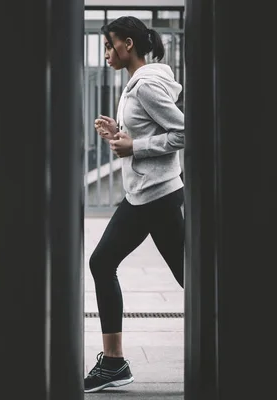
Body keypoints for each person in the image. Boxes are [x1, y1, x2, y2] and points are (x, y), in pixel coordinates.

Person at [84, 16, 185, 393]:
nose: (107, 52)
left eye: (110, 45)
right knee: (189, 272)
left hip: (154, 194)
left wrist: (135, 146)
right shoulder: (139, 83)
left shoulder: (144, 87)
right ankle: (113, 362)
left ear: (128, 44)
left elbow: (184, 130)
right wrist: (121, 135)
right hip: (147, 193)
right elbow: (151, 132)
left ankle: (113, 363)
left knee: (104, 262)